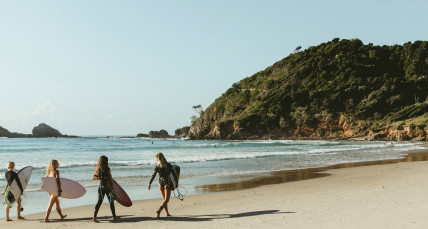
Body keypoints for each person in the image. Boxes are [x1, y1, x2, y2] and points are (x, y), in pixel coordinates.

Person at [92, 155, 121, 222]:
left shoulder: (99, 169)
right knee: (111, 202)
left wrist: (102, 177)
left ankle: (94, 217)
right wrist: (112, 187)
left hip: (101, 188)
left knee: (99, 202)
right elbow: (110, 179)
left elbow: (96, 178)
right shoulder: (108, 169)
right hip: (108, 188)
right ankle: (114, 216)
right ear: (106, 161)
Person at [148, 152, 173, 218]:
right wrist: (176, 182)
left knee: (164, 199)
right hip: (167, 183)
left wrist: (150, 183)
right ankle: (159, 210)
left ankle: (167, 213)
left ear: (158, 158)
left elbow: (153, 175)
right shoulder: (168, 165)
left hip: (160, 183)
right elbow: (173, 175)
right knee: (166, 200)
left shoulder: (157, 166)